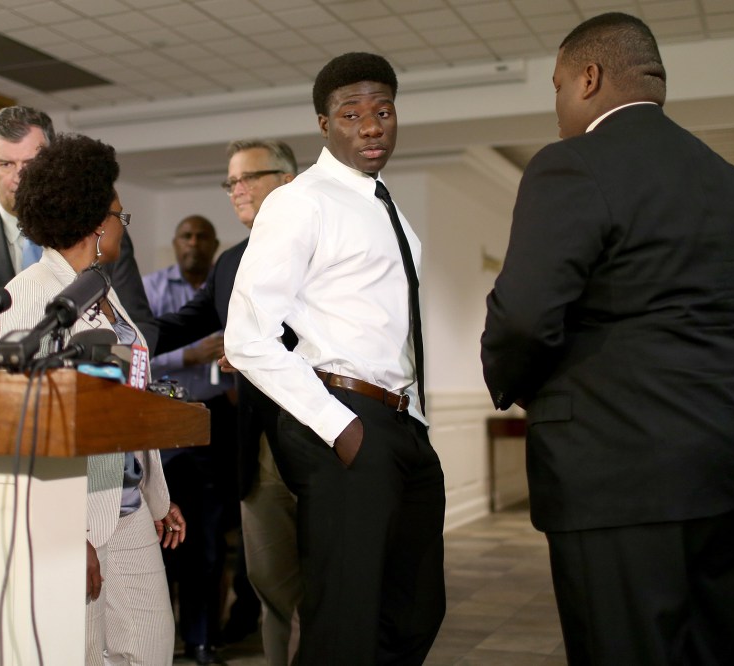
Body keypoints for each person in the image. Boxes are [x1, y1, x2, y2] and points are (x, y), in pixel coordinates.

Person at [479, 13, 734, 665]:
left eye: (557, 86)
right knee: (713, 646)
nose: (557, 106)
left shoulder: (571, 166)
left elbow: (525, 318)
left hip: (614, 470)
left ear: (588, 78)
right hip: (727, 466)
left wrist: (529, 394)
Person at [224, 53, 446, 666]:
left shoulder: (385, 206)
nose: (372, 126)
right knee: (343, 624)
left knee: (415, 611)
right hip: (345, 418)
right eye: (352, 114)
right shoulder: (303, 201)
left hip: (402, 424)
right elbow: (246, 335)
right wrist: (338, 426)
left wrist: (418, 421)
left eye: (383, 111)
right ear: (325, 125)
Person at [0, 133, 187, 666]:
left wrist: (157, 496)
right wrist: (66, 534)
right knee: (82, 654)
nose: (123, 225)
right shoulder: (28, 298)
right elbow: (26, 430)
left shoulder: (99, 289)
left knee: (149, 649)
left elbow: (124, 400)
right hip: (73, 517)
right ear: (97, 224)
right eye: (121, 215)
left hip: (125, 503)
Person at [0, 105, 157, 542]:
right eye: (5, 164)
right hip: (5, 462)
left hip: (109, 461)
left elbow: (138, 326)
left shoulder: (103, 240)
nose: (17, 177)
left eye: (29, 164)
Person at [154, 139, 301, 666]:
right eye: (230, 182)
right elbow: (180, 323)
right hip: (256, 443)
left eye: (247, 178)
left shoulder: (323, 244)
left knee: (329, 581)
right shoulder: (231, 261)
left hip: (323, 437)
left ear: (285, 180)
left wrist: (256, 350)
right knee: (270, 580)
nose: (235, 190)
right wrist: (113, 328)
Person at [143, 215, 238, 665]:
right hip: (162, 422)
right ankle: (158, 638)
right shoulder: (153, 289)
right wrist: (190, 354)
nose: (194, 243)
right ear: (175, 243)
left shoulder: (226, 291)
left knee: (208, 539)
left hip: (215, 420)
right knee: (159, 536)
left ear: (215, 244)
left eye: (203, 236)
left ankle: (202, 640)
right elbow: (137, 354)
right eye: (186, 236)